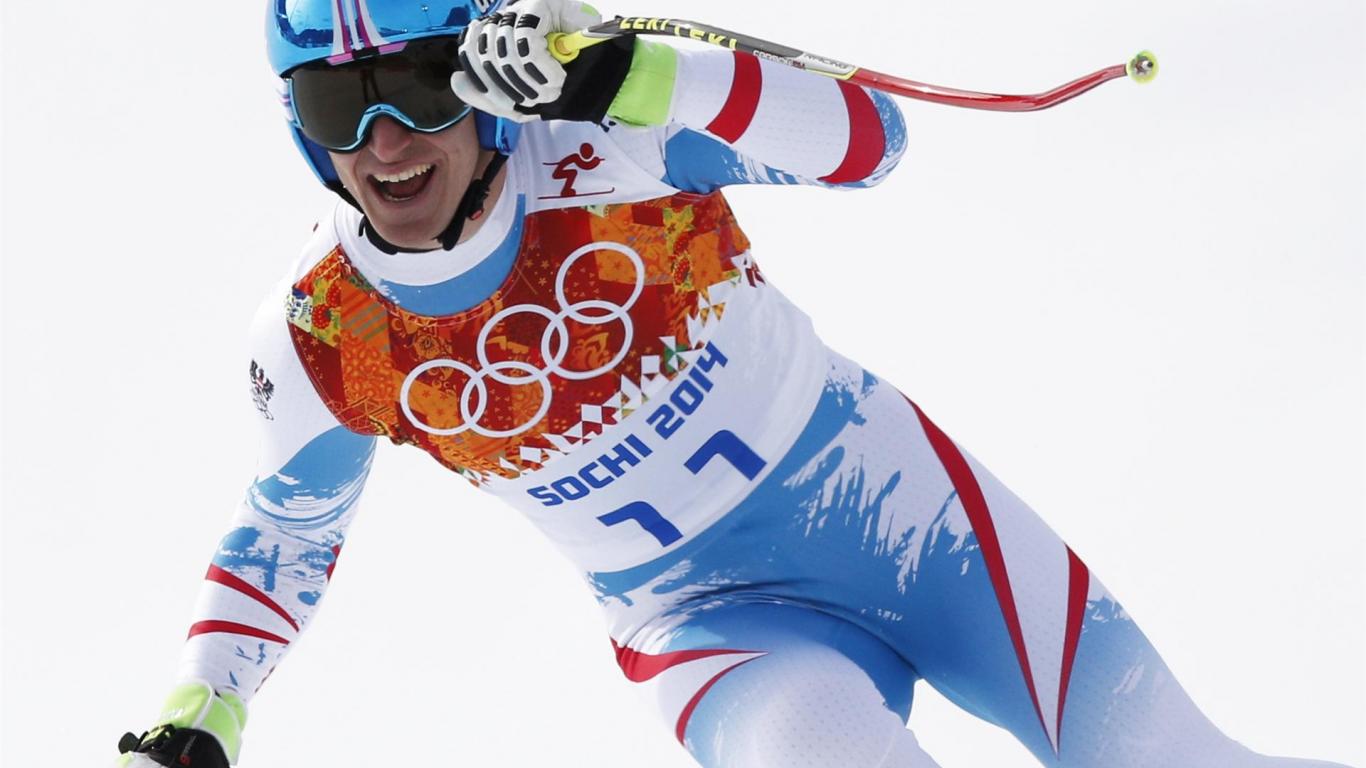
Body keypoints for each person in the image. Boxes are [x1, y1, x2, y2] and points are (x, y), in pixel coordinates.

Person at [114, 1, 1352, 766]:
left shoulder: (608, 136)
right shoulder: (328, 331)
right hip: (705, 625)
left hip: (898, 513)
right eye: (336, 102)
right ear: (297, 123)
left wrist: (644, 75)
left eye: (416, 87)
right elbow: (284, 534)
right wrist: (201, 706)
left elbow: (870, 145)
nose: (382, 143)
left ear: (484, 79)